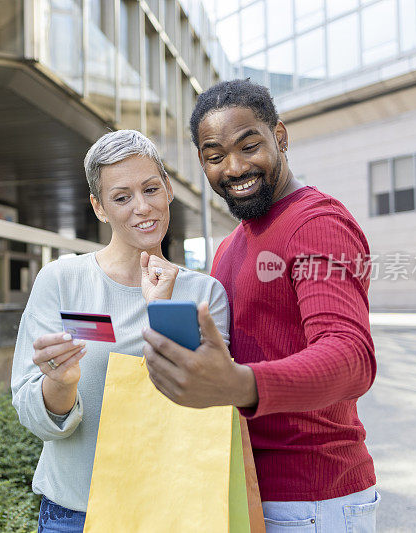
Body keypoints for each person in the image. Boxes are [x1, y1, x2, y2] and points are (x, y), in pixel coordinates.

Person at [142, 79, 380, 532]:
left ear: (280, 137)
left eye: (249, 146)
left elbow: (351, 357)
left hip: (314, 498)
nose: (234, 167)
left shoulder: (317, 224)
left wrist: (239, 383)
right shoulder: (230, 247)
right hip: (246, 488)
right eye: (215, 157)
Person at [11, 129, 230, 533]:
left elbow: (209, 400)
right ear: (99, 207)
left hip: (173, 512)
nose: (142, 207)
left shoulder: (205, 293)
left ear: (167, 188)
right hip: (74, 514)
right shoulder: (61, 281)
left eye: (151, 189)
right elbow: (30, 410)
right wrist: (60, 385)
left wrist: (158, 310)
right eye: (122, 197)